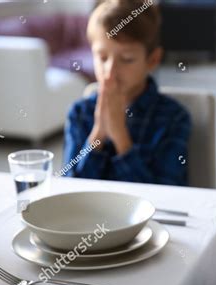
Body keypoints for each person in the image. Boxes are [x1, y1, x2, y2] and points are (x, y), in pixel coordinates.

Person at [63, 0, 191, 185]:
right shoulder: (79, 113)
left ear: (153, 60)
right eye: (103, 57)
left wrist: (120, 137)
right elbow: (70, 190)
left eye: (127, 59)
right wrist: (98, 134)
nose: (110, 70)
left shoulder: (174, 118)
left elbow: (166, 196)